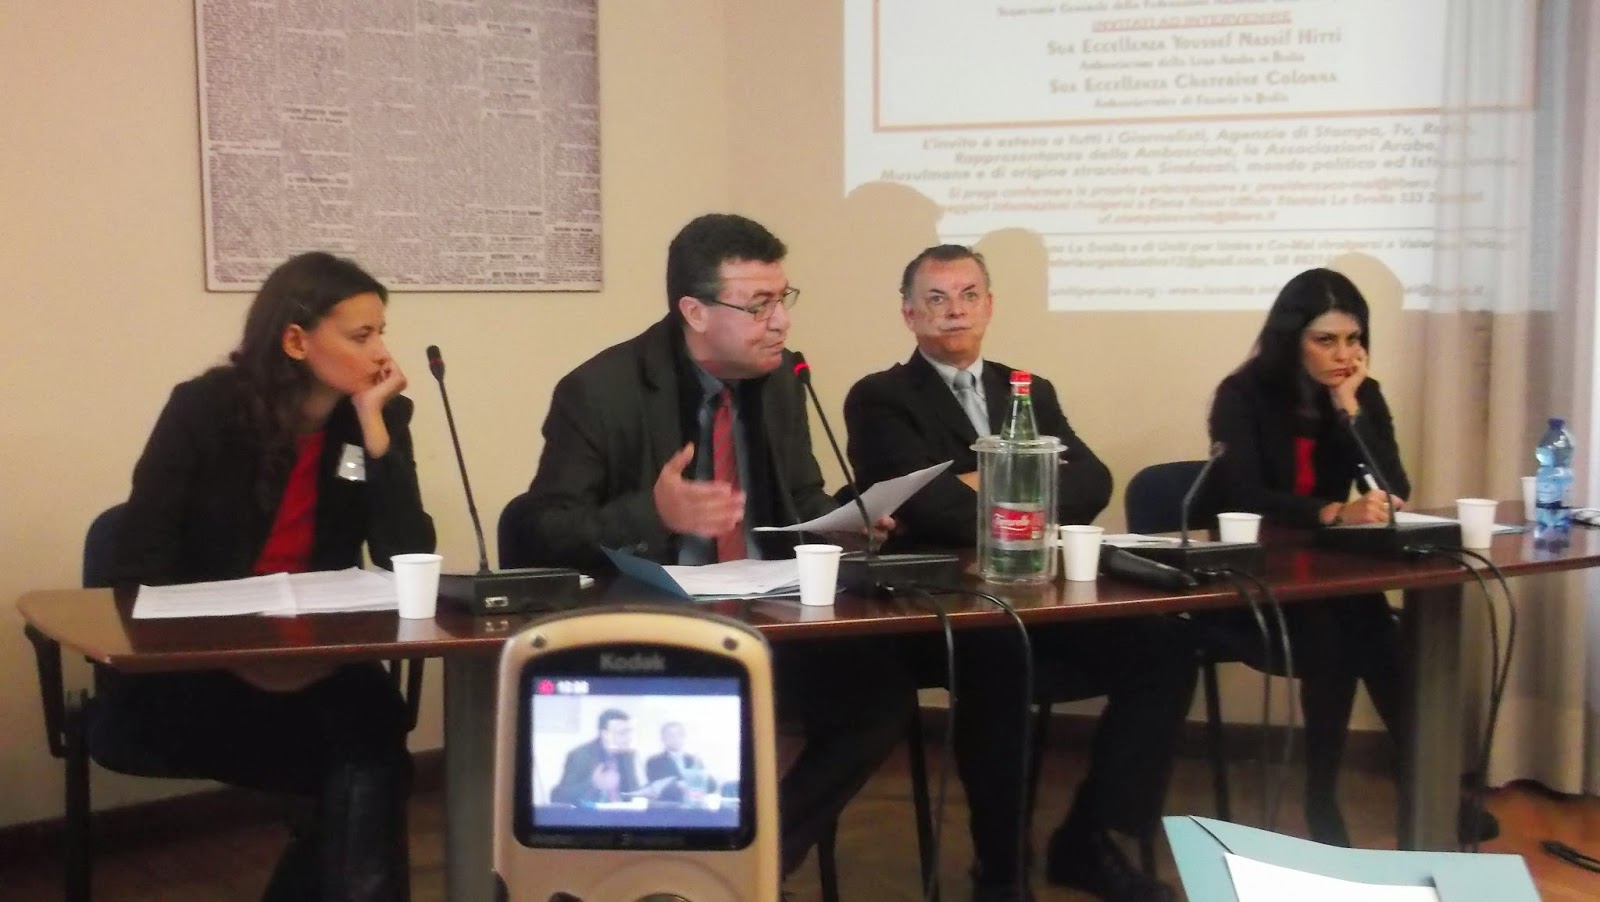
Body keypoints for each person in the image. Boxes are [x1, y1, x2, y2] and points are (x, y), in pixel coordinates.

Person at [511, 213, 915, 879]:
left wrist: (844, 521)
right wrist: (654, 512)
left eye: (782, 299)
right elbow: (537, 530)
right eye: (758, 305)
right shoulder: (600, 390)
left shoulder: (779, 381)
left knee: (878, 697)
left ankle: (757, 868)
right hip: (653, 629)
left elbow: (800, 496)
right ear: (694, 312)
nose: (781, 321)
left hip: (770, 621)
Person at [845, 244, 1194, 902]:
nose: (955, 311)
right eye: (936, 299)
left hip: (1038, 590)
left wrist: (977, 479)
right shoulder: (880, 398)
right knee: (1001, 656)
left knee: (1167, 645)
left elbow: (1092, 481)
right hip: (941, 603)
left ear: (990, 306)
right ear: (909, 314)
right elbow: (929, 508)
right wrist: (1028, 475)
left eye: (968, 295)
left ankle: (1088, 837)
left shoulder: (1027, 388)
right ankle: (1001, 870)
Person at [99, 251, 435, 901]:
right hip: (198, 668)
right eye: (361, 335)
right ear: (295, 341)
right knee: (366, 768)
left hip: (316, 660)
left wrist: (376, 431)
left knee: (372, 739)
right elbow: (135, 566)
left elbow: (408, 556)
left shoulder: (374, 418)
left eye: (381, 333)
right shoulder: (204, 411)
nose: (380, 354)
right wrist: (243, 659)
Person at [1207, 267, 1494, 847]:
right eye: (1326, 340)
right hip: (1254, 577)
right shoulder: (1242, 395)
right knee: (1348, 629)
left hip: (1327, 574)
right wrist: (1332, 512)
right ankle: (1353, 796)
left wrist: (1351, 409)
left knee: (1362, 623)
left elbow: (1395, 488)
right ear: (1292, 339)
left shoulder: (1361, 395)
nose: (1344, 354)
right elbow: (1239, 495)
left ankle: (1370, 793)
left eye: (1354, 339)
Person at [551, 709, 642, 805]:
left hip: (622, 812)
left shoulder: (627, 755)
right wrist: (594, 784)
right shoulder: (581, 755)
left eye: (629, 732)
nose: (628, 738)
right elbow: (559, 796)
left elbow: (633, 792)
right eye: (622, 733)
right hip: (590, 813)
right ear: (605, 734)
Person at [645, 721, 716, 804]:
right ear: (663, 739)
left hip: (694, 806)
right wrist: (683, 786)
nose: (676, 738)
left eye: (679, 734)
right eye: (671, 735)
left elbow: (711, 786)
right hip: (668, 807)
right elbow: (658, 789)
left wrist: (688, 785)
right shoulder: (654, 762)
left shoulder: (693, 760)